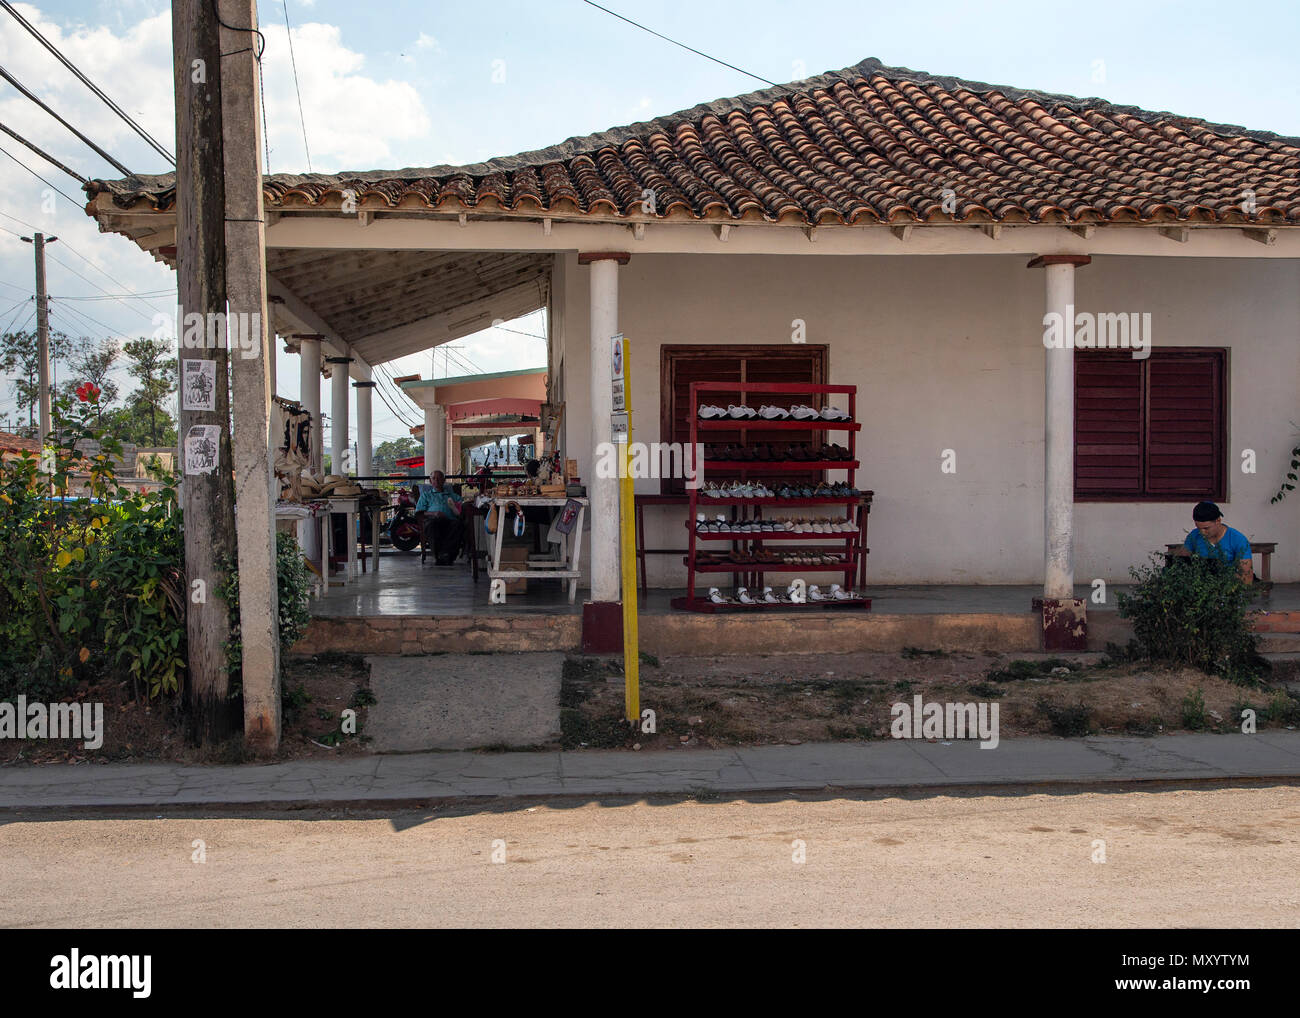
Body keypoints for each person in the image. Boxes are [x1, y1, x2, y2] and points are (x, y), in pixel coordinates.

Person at [1175, 501, 1254, 583]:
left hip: (1228, 586)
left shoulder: (1237, 539)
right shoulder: (1194, 535)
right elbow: (1181, 562)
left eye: (1206, 528)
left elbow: (1247, 577)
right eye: (1199, 528)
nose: (1202, 532)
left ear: (1218, 521)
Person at [416, 470, 463, 565]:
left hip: (451, 521)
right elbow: (420, 513)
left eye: (439, 478)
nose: (436, 480)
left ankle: (447, 554)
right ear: (430, 481)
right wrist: (433, 513)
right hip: (434, 520)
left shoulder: (452, 495)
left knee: (459, 525)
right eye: (434, 478)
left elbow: (462, 506)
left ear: (443, 480)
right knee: (433, 525)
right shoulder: (426, 495)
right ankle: (439, 555)